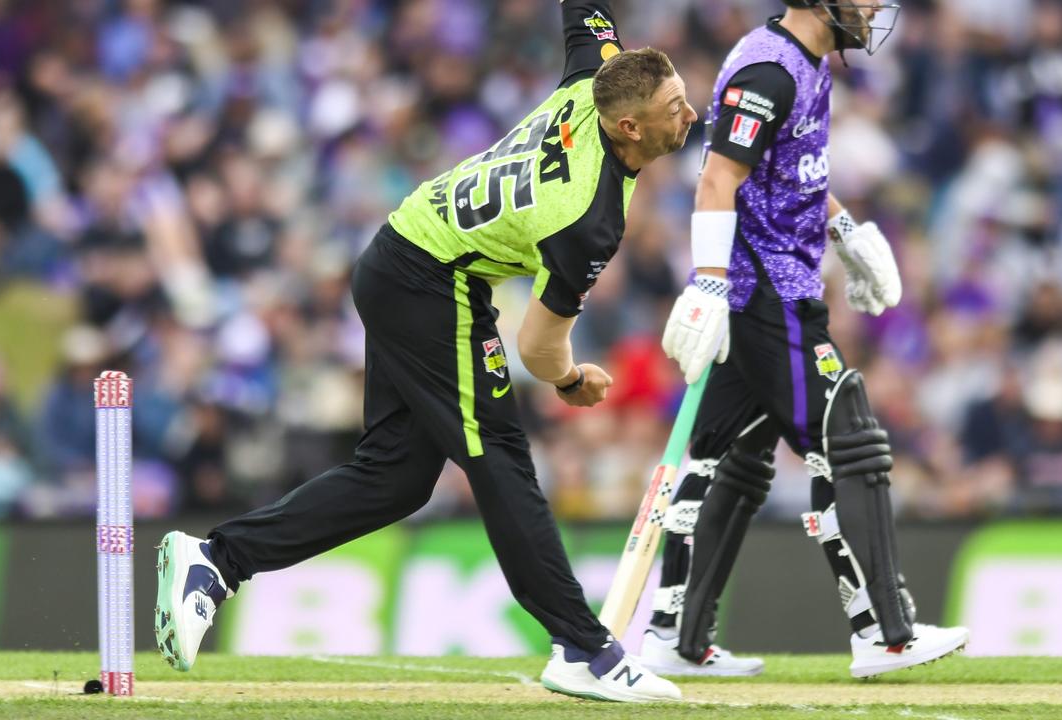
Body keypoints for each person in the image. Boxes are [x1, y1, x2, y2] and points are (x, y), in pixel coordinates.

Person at [154, 0, 696, 703]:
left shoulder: (594, 74)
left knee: (396, 479)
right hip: (429, 281)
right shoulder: (588, 216)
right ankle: (581, 648)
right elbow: (537, 344)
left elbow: (583, 10)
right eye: (676, 105)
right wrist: (569, 380)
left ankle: (216, 561)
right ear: (631, 127)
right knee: (498, 453)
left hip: (403, 258)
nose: (691, 112)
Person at [643, 0, 969, 678]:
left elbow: (790, 175)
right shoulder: (768, 73)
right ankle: (886, 633)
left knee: (730, 457)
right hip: (765, 295)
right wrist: (707, 284)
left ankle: (677, 637)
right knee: (847, 438)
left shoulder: (808, 62)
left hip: (776, 286)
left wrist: (847, 233)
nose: (877, 6)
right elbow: (717, 178)